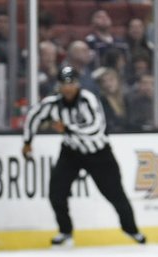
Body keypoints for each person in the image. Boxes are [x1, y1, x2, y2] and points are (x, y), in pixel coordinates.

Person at [22, 67, 146, 247]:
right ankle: (65, 231)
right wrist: (27, 141)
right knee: (56, 192)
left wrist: (68, 129)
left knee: (115, 194)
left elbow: (96, 128)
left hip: (99, 153)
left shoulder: (88, 100)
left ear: (77, 84)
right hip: (71, 153)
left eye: (71, 83)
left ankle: (131, 229)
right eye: (64, 84)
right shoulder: (53, 104)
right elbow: (34, 116)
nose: (68, 88)